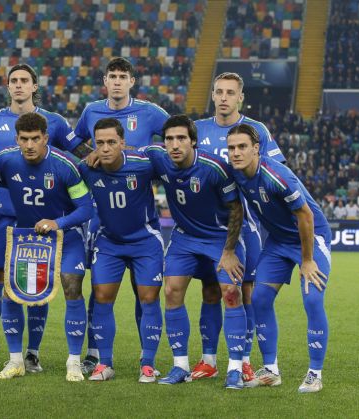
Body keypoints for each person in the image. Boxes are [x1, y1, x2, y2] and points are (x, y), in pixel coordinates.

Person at [0, 63, 85, 372]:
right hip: (1, 213)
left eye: (25, 81)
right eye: (14, 81)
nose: (19, 85)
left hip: (40, 218)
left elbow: (79, 156)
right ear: (7, 86)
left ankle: (32, 352)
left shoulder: (55, 123)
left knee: (38, 281)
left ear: (35, 86)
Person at [72, 57, 170, 373]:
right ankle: (95, 353)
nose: (116, 81)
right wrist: (90, 156)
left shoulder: (150, 112)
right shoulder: (91, 111)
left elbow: (177, 135)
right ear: (105, 81)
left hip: (139, 203)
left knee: (145, 292)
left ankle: (147, 358)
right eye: (111, 76)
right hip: (102, 213)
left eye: (122, 76)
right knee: (100, 288)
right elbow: (73, 143)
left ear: (131, 81)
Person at [192, 72, 286, 382]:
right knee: (209, 291)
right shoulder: (199, 130)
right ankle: (208, 360)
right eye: (218, 91)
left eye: (230, 93)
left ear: (240, 98)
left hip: (246, 226)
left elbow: (277, 170)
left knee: (245, 292)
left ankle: (244, 360)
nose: (223, 97)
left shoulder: (256, 130)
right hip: (207, 228)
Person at [0, 112, 93, 381]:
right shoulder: (6, 159)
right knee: (11, 294)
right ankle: (15, 361)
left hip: (64, 237)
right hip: (27, 239)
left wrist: (58, 222)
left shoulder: (65, 165)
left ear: (46, 138)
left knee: (72, 285)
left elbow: (86, 208)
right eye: (25, 139)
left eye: (36, 139)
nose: (30, 145)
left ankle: (73, 361)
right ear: (17, 139)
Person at [144, 115, 247, 389]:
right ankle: (180, 366)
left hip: (219, 238)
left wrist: (228, 250)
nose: (174, 144)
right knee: (171, 291)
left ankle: (234, 368)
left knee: (229, 294)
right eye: (169, 139)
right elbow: (127, 155)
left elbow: (236, 208)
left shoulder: (214, 167)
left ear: (193, 141)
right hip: (184, 238)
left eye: (181, 138)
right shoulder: (157, 157)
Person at [226, 123, 331, 393]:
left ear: (256, 149)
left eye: (242, 147)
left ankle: (314, 373)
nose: (236, 153)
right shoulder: (236, 174)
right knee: (259, 299)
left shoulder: (276, 175)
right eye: (232, 148)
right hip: (277, 242)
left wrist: (307, 260)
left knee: (312, 298)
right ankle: (271, 370)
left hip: (310, 237)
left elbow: (306, 216)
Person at [78, 118, 163, 383]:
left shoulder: (144, 164)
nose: (105, 148)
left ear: (123, 143)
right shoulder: (87, 169)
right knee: (102, 296)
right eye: (99, 143)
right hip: (109, 241)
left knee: (148, 298)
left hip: (145, 240)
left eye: (111, 142)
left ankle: (148, 364)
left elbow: (174, 167)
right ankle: (105, 363)